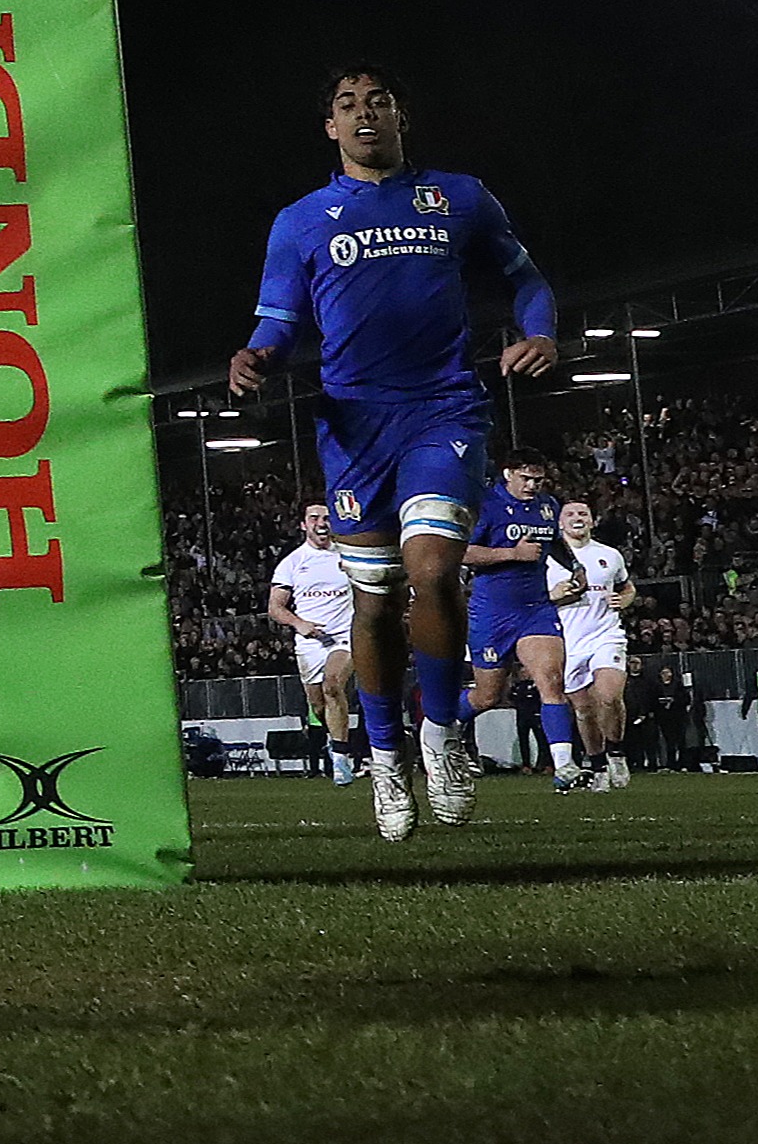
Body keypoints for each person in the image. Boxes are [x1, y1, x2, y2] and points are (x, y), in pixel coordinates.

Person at [228, 67, 562, 841]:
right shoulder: (301, 219)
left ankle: (442, 737)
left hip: (442, 408)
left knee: (434, 567)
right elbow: (276, 318)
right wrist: (255, 357)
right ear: (329, 129)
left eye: (376, 99)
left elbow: (524, 275)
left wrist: (538, 330)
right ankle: (384, 757)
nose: (362, 112)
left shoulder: (458, 197)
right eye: (345, 104)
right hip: (353, 426)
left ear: (400, 113)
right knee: (373, 605)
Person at [462, 451, 577, 794]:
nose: (532, 485)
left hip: (535, 610)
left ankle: (565, 765)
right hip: (492, 613)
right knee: (487, 695)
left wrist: (575, 567)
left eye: (537, 480)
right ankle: (442, 726)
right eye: (525, 478)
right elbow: (461, 551)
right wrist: (511, 554)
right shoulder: (484, 504)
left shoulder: (547, 506)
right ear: (508, 473)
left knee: (551, 680)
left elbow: (554, 543)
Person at [268, 502, 366, 785]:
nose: (321, 523)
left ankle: (341, 758)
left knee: (333, 684)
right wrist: (300, 624)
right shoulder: (292, 562)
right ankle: (335, 740)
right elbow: (275, 607)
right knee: (318, 705)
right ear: (304, 525)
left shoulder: (349, 556)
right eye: (314, 518)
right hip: (310, 643)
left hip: (345, 636)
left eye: (326, 518)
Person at [553, 499, 636, 790]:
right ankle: (598, 764)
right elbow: (537, 599)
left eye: (583, 513)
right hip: (568, 641)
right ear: (559, 522)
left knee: (609, 696)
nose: (578, 518)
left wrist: (624, 599)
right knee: (584, 710)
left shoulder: (609, 555)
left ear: (592, 520)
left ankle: (616, 752)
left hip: (606, 635)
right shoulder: (547, 558)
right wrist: (557, 596)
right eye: (571, 514)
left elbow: (627, 587)